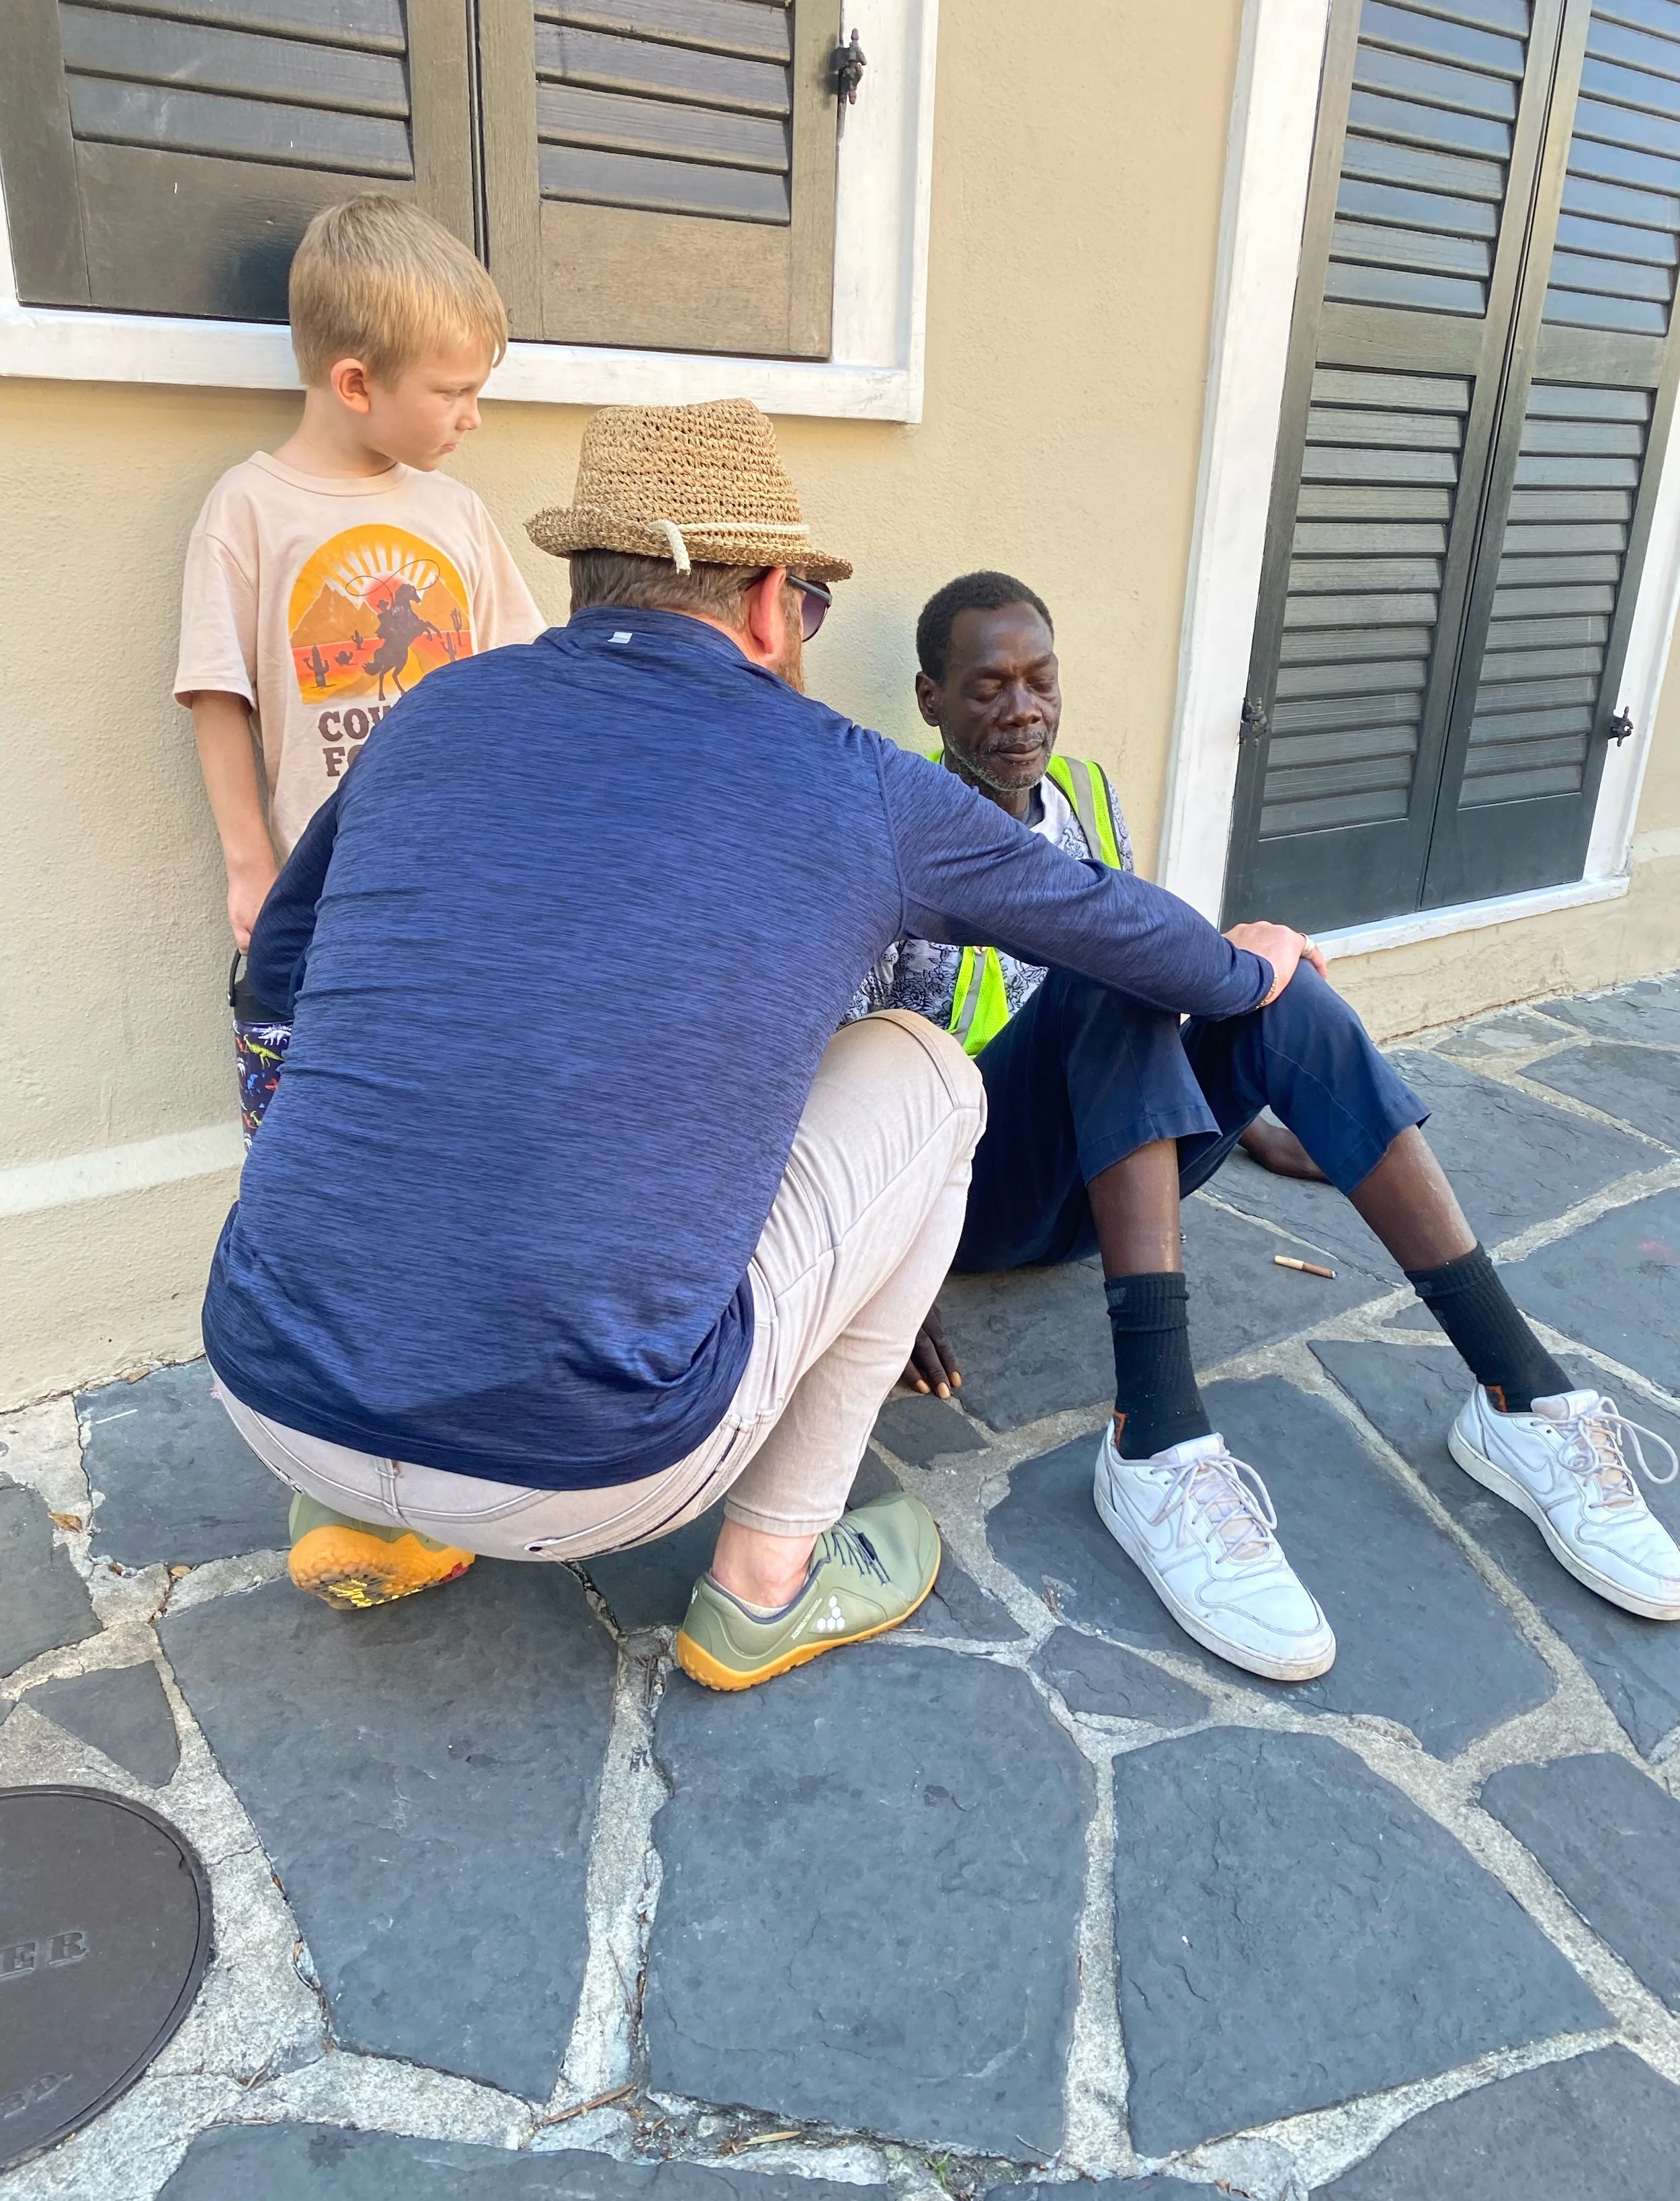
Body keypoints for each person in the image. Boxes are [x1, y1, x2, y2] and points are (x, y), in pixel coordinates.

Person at [204, 399, 1316, 1694]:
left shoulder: (435, 715)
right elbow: (1113, 927)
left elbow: (271, 993)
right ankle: (766, 1583)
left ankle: (374, 1512)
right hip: (592, 1476)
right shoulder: (850, 775)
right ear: (772, 602)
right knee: (928, 1069)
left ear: (583, 583)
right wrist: (1251, 966)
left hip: (271, 1395)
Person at [851, 571, 1680, 1681]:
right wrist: (875, 1269)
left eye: (1041, 681)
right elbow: (843, 1070)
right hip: (963, 1191)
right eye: (988, 686)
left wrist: (1237, 1115)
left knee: (1285, 996)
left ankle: (1521, 1395)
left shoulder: (1090, 797)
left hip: (1097, 1181)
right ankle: (1157, 1443)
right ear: (930, 699)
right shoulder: (893, 827)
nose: (1023, 710)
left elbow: (1138, 1015)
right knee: (1122, 957)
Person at [174, 195, 546, 1126]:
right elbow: (219, 695)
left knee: (465, 1110)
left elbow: (520, 676)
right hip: (330, 904)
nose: (473, 417)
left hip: (469, 887)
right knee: (333, 1122)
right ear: (354, 383)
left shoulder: (454, 513)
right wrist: (250, 864)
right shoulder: (251, 510)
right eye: (452, 391)